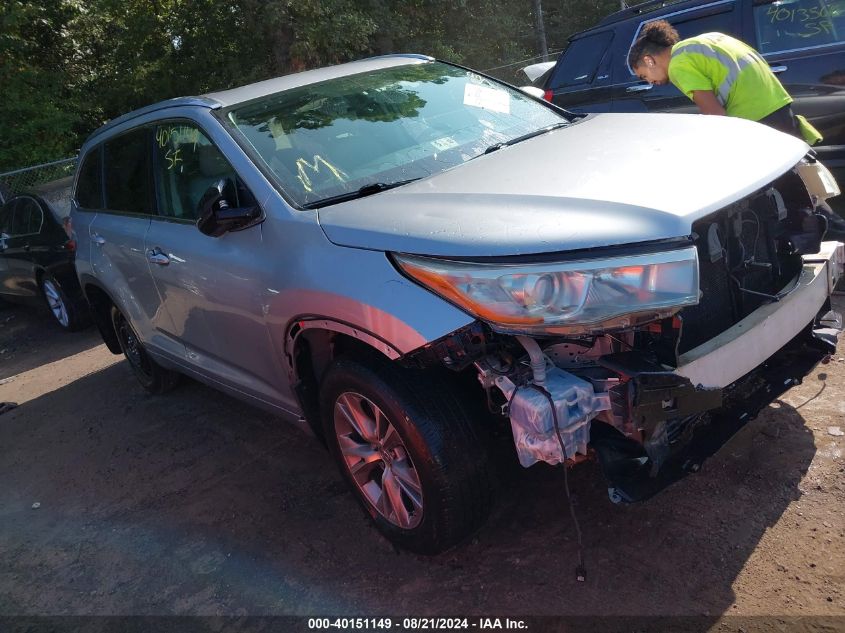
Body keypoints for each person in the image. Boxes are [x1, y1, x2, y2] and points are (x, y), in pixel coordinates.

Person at [627, 20, 822, 145]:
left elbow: (716, 115)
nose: (651, 82)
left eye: (644, 76)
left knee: (782, 195)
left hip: (758, 123)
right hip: (779, 106)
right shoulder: (707, 40)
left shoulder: (678, 65)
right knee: (800, 186)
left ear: (649, 60)